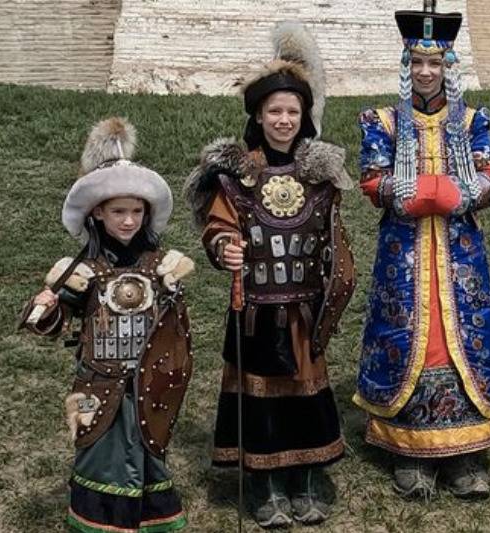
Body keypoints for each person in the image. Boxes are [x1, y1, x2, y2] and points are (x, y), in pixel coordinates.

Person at [184, 22, 354, 528]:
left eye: (293, 112)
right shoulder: (237, 176)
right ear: (258, 116)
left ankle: (305, 476)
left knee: (306, 393)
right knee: (259, 397)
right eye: (275, 111)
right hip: (256, 309)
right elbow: (218, 225)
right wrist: (225, 248)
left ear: (305, 117)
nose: (284, 120)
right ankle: (264, 482)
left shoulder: (319, 174)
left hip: (303, 309)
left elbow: (333, 238)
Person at [353, 2, 490, 499]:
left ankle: (463, 453)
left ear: (448, 66)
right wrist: (417, 194)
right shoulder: (382, 122)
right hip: (404, 252)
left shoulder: (472, 120)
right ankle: (409, 449)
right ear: (406, 65)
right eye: (417, 62)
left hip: (461, 253)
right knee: (407, 334)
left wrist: (464, 192)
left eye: (434, 62)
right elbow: (373, 179)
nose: (425, 72)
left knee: (461, 333)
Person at [22, 117, 194, 532]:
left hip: (147, 387)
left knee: (149, 455)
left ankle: (149, 521)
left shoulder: (161, 266)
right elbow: (50, 323)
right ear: (98, 212)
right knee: (100, 454)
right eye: (118, 211)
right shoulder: (82, 269)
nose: (129, 221)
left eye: (136, 211)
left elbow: (177, 333)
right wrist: (45, 306)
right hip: (97, 384)